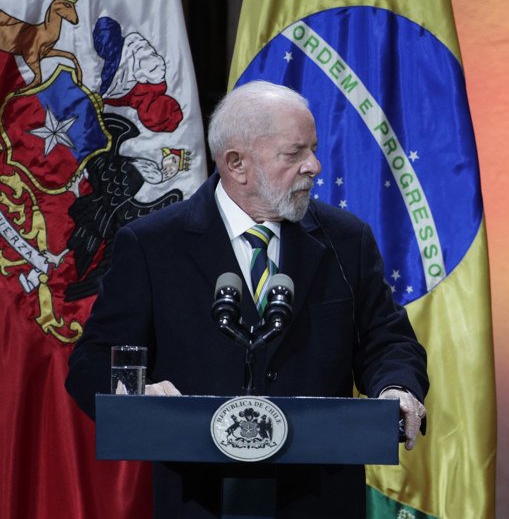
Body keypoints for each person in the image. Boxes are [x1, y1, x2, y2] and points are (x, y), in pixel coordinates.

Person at [66, 81, 429, 518]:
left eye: (313, 149)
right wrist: (135, 389)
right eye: (294, 153)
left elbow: (388, 341)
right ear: (236, 163)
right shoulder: (152, 245)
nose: (314, 165)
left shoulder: (346, 239)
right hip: (199, 500)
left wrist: (396, 387)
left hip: (320, 498)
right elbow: (93, 359)